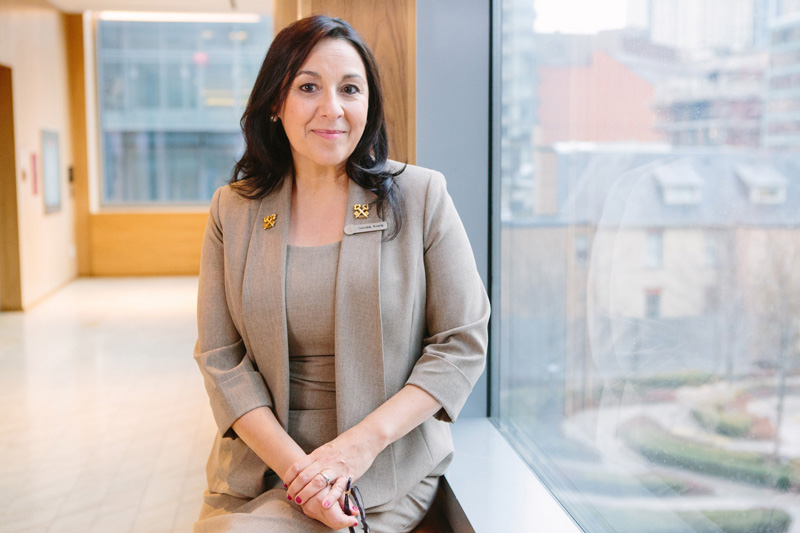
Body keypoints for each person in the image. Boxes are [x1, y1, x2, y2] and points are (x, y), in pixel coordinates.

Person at [193, 15, 489, 533]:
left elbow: (461, 342)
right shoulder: (233, 210)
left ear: (367, 103)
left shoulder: (420, 197)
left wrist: (354, 451)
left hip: (382, 470)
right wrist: (304, 476)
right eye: (308, 87)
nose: (332, 108)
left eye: (350, 89)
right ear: (274, 103)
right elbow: (222, 359)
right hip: (264, 469)